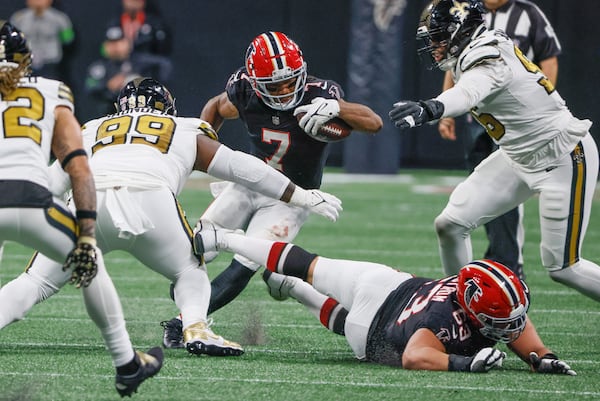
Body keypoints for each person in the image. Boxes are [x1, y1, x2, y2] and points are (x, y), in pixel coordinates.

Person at [0, 76, 343, 359]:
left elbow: (49, 184)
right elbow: (243, 167)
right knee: (189, 271)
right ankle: (196, 326)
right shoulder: (181, 127)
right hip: (151, 199)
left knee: (35, 282)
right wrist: (300, 195)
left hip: (87, 201)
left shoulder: (92, 129)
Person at [160, 31, 383, 348]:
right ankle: (276, 278)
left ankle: (184, 323)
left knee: (243, 265)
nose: (284, 90)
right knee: (191, 252)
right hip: (250, 184)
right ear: (254, 82)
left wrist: (336, 108)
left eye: (291, 82)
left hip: (292, 199)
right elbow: (215, 107)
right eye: (274, 86)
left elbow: (373, 123)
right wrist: (205, 148)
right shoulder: (244, 91)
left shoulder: (320, 93)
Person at [388, 0, 600, 302]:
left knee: (563, 267)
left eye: (438, 36)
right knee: (450, 225)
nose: (433, 45)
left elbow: (469, 92)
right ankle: (462, 311)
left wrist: (431, 108)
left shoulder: (488, 57)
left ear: (460, 32)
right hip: (517, 154)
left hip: (561, 154)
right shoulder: (474, 49)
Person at [0, 21, 162, 397]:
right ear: (25, 61)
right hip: (28, 200)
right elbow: (78, 166)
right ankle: (127, 364)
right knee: (92, 265)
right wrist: (87, 234)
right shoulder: (50, 90)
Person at [190, 220, 575, 374]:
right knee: (340, 314)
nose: (511, 325)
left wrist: (544, 359)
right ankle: (288, 285)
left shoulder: (473, 299)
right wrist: (464, 363)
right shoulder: (441, 320)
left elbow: (517, 326)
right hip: (374, 324)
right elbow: (415, 355)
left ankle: (225, 238)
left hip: (385, 282)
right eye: (499, 317)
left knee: (309, 264)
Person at [437, 0, 562, 279]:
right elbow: (452, 61)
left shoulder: (528, 14)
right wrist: (446, 112)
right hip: (478, 117)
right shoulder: (466, 13)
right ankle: (497, 257)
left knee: (507, 192)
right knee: (481, 188)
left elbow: (548, 59)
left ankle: (508, 260)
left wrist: (544, 105)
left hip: (514, 120)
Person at [84, 25, 172, 116]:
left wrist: (148, 84)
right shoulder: (100, 67)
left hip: (142, 111)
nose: (116, 47)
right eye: (111, 43)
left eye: (119, 42)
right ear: (105, 46)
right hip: (110, 113)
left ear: (128, 43)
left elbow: (164, 65)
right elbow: (91, 87)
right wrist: (108, 87)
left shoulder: (141, 61)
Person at [10, 0, 75, 81]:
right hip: (26, 65)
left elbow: (68, 39)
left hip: (50, 65)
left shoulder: (60, 18)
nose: (38, 2)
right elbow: (12, 40)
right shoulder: (18, 18)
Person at [105, 0, 171, 57]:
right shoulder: (114, 23)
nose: (132, 4)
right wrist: (115, 49)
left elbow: (163, 49)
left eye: (136, 1)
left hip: (145, 64)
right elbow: (103, 49)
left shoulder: (154, 24)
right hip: (118, 64)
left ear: (143, 3)